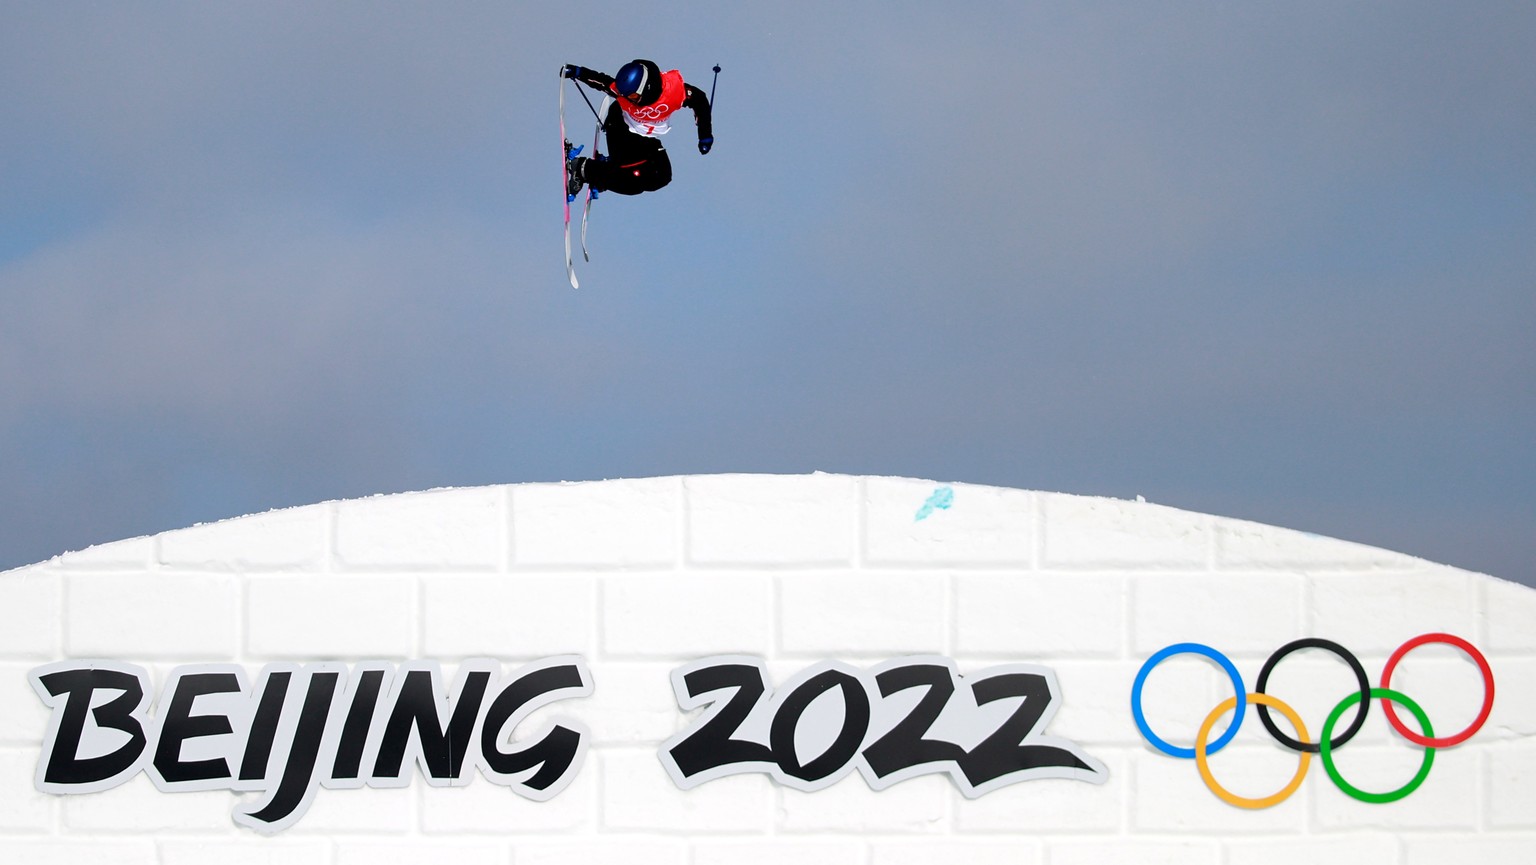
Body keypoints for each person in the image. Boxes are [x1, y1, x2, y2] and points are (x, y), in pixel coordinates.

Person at [561, 59, 714, 197]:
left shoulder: (673, 91)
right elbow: (602, 81)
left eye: (633, 96)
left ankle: (606, 170)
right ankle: (584, 168)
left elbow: (699, 100)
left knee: (661, 177)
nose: (629, 100)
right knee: (633, 182)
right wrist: (579, 72)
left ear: (644, 88)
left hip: (644, 135)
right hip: (620, 128)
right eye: (626, 96)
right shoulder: (624, 94)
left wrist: (705, 135)